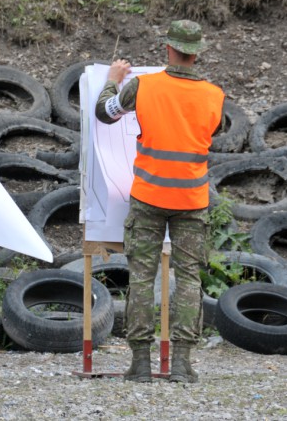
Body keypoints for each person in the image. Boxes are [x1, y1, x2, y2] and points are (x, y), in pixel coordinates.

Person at [94, 19, 224, 383]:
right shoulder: (214, 95)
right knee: (189, 280)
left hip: (148, 197)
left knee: (141, 279)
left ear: (168, 49)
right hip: (192, 199)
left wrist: (112, 80)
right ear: (197, 53)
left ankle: (140, 364)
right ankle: (181, 364)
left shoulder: (142, 86)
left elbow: (104, 113)